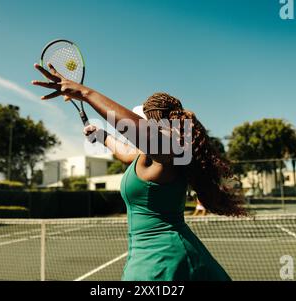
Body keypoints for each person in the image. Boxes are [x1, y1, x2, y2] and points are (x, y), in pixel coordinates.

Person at [32, 63, 247, 281]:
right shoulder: (149, 157)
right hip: (154, 256)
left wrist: (84, 93)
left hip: (167, 261)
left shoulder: (170, 152)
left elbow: (142, 135)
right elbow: (126, 152)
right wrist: (102, 135)